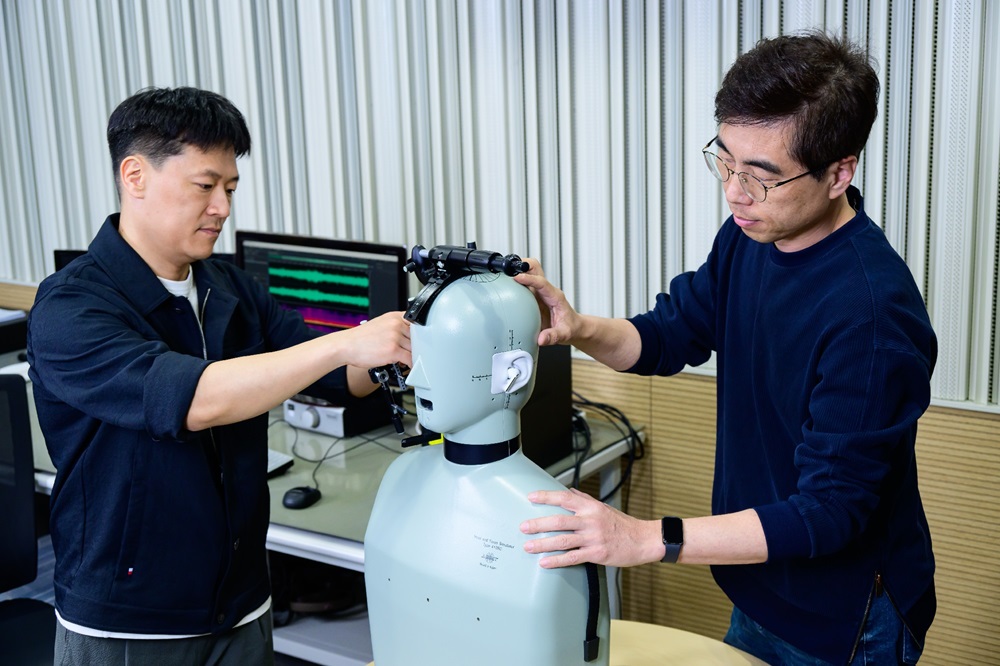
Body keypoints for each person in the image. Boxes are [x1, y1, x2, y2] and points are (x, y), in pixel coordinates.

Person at [516, 32, 936, 666]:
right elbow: (666, 336)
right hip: (760, 578)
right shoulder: (751, 234)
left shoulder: (872, 315)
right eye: (725, 161)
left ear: (839, 173)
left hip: (845, 618)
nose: (734, 191)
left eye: (761, 176)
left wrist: (645, 538)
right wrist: (579, 328)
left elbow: (829, 512)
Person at [26, 86, 411, 664]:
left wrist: (411, 336)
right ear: (135, 176)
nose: (223, 208)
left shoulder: (229, 287)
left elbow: (338, 377)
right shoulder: (71, 306)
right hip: (132, 617)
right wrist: (346, 343)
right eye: (205, 186)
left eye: (230, 188)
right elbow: (193, 400)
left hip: (243, 598)